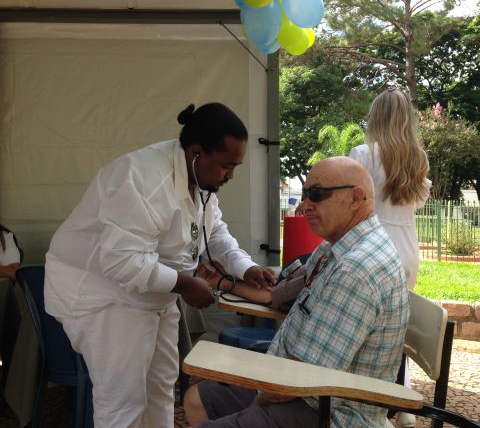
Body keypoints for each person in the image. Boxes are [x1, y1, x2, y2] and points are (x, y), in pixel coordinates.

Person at [44, 102, 276, 428]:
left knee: (162, 385)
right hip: (102, 294)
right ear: (197, 152)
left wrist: (245, 267)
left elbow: (215, 233)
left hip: (152, 292)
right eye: (227, 165)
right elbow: (122, 260)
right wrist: (185, 284)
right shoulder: (141, 178)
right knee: (123, 400)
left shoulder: (199, 179)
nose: (231, 175)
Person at [184, 156, 410, 428]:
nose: (304, 206)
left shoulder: (356, 269)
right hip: (294, 384)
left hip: (328, 410)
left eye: (317, 194)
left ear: (355, 198)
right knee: (197, 399)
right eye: (305, 195)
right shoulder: (334, 248)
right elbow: (274, 296)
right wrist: (223, 282)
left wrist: (255, 403)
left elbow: (304, 378)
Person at [349, 88, 431, 428]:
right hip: (407, 246)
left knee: (368, 329)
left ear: (376, 116)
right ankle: (401, 398)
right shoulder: (418, 158)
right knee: (396, 326)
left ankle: (372, 404)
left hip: (373, 244)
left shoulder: (362, 154)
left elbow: (351, 202)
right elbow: (419, 202)